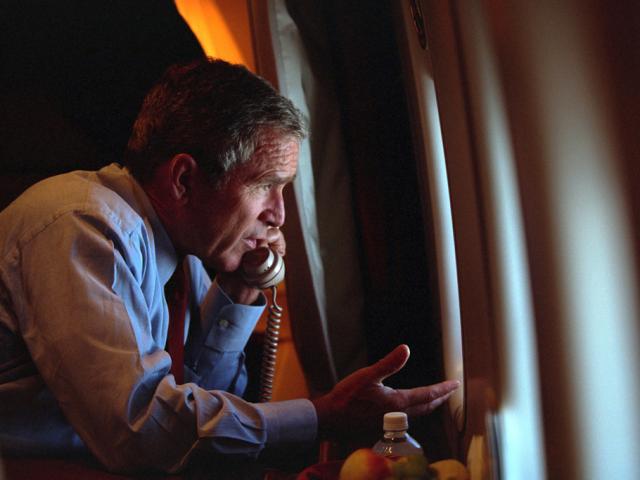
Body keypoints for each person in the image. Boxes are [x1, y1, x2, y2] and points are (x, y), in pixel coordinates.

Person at [0, 57, 459, 475]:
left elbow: (200, 407)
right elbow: (143, 433)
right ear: (185, 180)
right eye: (266, 186)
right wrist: (323, 415)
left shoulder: (187, 258)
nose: (279, 215)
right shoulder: (80, 225)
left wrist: (239, 291)